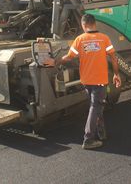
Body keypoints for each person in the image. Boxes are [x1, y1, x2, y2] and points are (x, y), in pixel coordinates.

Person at [47, 14, 121, 150]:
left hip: (86, 81)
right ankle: (88, 139)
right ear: (95, 24)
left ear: (83, 25)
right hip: (100, 80)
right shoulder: (104, 38)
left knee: (96, 106)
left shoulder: (80, 39)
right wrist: (116, 74)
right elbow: (113, 57)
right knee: (95, 106)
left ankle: (101, 132)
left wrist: (55, 62)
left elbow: (69, 57)